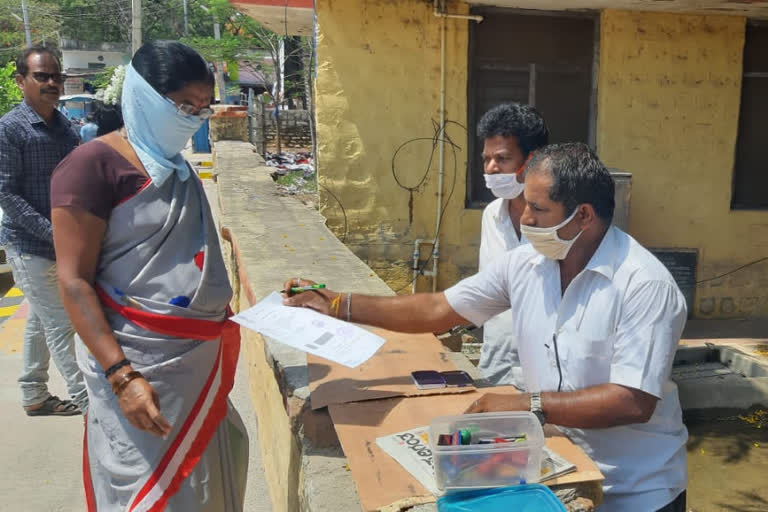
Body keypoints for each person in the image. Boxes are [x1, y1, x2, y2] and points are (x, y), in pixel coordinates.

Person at [282, 143, 688, 512]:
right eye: (524, 204)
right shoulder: (527, 263)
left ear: (583, 214)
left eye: (538, 209)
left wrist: (527, 404)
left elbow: (632, 400)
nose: (525, 218)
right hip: (559, 469)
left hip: (636, 489)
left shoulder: (643, 285)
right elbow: (439, 308)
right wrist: (339, 304)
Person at [51, 41, 246, 511]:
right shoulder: (91, 168)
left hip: (196, 362)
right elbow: (74, 281)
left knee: (210, 476)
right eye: (182, 105)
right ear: (144, 97)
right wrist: (122, 376)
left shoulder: (177, 169)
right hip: (136, 364)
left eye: (203, 106)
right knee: (150, 490)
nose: (193, 117)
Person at [0, 46, 87, 416]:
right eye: (42, 76)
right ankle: (92, 404)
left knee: (40, 318)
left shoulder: (66, 128)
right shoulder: (9, 129)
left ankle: (34, 392)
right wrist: (53, 232)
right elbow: (6, 193)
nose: (52, 83)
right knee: (62, 324)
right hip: (27, 244)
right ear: (21, 81)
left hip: (60, 244)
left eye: (56, 76)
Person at [476, 103, 548, 388]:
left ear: (533, 159)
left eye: (502, 158)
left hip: (547, 373)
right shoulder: (491, 215)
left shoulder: (563, 221)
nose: (492, 168)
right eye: (486, 158)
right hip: (497, 364)